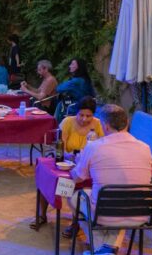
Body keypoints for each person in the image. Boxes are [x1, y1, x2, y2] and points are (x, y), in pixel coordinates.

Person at [69, 104, 152, 255]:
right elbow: (149, 175)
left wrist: (77, 163)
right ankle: (110, 246)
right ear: (127, 123)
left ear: (105, 126)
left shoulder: (94, 147)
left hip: (106, 211)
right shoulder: (146, 148)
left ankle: (101, 244)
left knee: (74, 198)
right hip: (141, 213)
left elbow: (78, 177)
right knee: (123, 196)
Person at [30, 97, 104, 233]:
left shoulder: (97, 124)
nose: (84, 119)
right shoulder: (68, 122)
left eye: (88, 116)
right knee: (48, 181)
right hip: (68, 163)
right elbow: (60, 146)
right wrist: (69, 156)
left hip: (88, 168)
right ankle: (42, 215)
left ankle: (76, 223)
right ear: (76, 113)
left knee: (82, 187)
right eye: (81, 115)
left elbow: (102, 146)